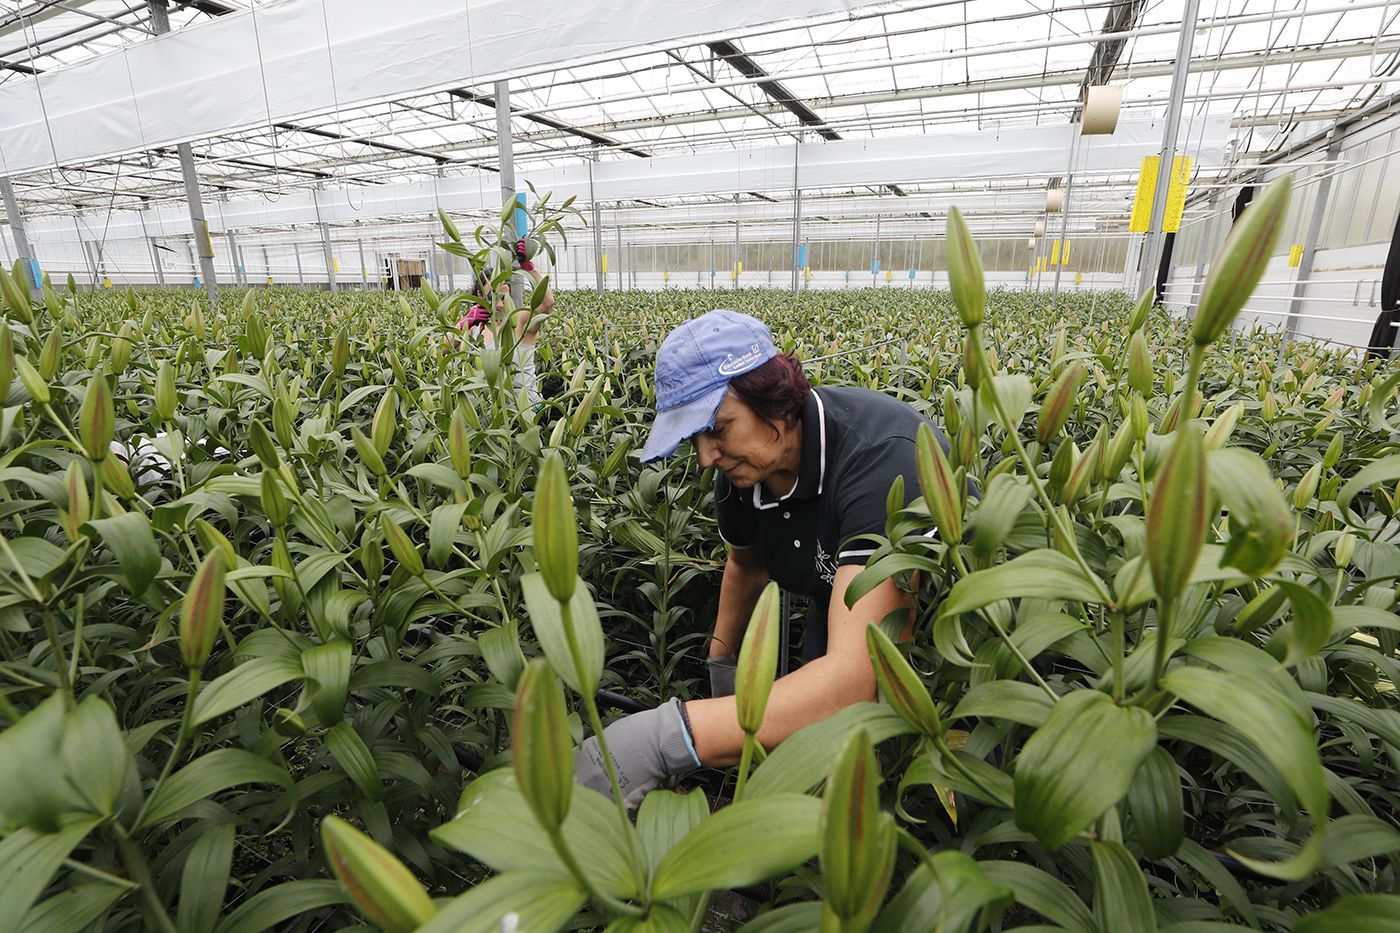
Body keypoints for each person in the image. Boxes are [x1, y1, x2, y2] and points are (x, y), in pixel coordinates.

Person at [573, 309, 951, 807]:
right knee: (805, 756)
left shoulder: (881, 462)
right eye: (694, 439)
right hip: (836, 596)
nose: (706, 456)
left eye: (717, 427)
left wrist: (665, 739)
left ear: (773, 400)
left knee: (883, 772)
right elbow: (746, 566)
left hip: (946, 644)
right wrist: (722, 667)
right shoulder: (743, 473)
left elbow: (857, 681)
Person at [454, 240, 555, 406]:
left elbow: (547, 304)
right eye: (494, 297)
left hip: (527, 410)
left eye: (504, 297)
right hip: (495, 414)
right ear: (479, 295)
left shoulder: (520, 320)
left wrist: (529, 269)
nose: (500, 304)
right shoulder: (474, 330)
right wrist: (466, 322)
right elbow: (444, 348)